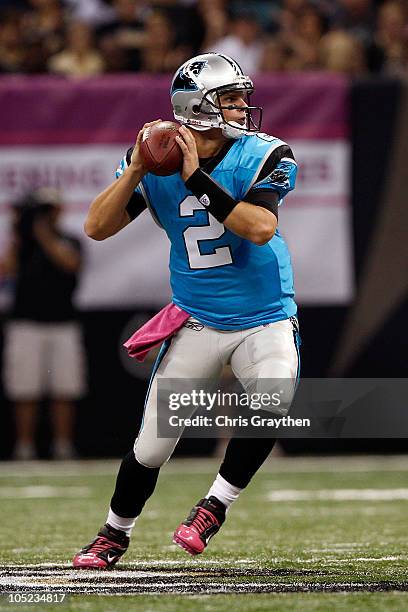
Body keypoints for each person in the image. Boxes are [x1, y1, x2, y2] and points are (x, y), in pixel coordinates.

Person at [72, 52, 300, 569]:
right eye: (231, 98)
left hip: (264, 313)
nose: (244, 107)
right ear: (197, 107)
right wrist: (135, 169)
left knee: (274, 397)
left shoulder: (266, 153)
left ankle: (214, 504)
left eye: (243, 97)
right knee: (152, 445)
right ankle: (113, 533)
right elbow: (96, 227)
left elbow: (260, 228)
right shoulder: (158, 159)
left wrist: (197, 178)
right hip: (197, 315)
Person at [1, 188, 87, 460]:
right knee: (24, 389)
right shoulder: (22, 244)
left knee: (65, 388)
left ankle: (63, 446)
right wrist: (18, 234)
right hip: (25, 323)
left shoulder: (69, 240)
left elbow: (71, 264)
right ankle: (25, 447)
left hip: (63, 323)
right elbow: (6, 271)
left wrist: (43, 233)